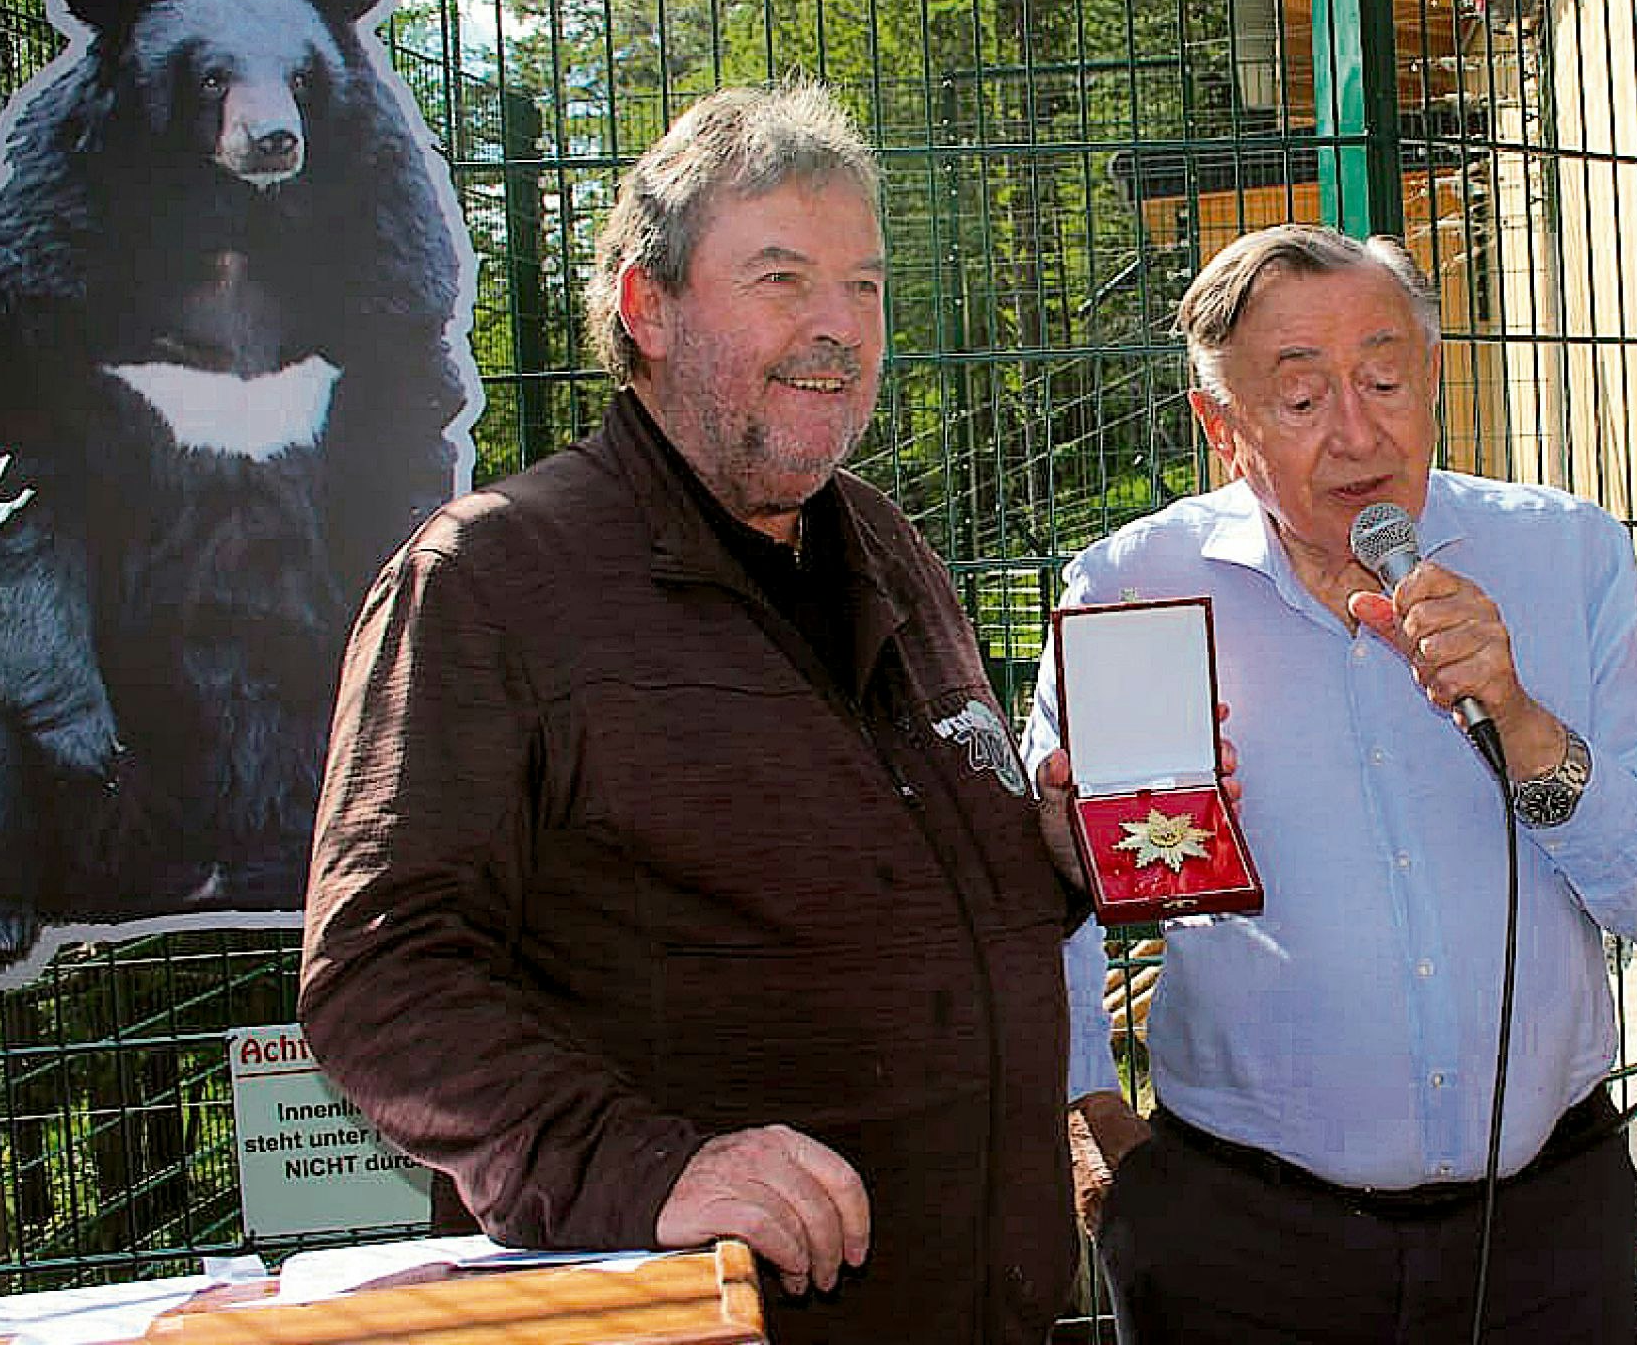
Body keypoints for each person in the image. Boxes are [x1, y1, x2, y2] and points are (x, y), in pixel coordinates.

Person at [298, 84, 1086, 1345]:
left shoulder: (884, 545)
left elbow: (907, 880)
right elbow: (380, 973)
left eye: (866, 285)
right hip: (702, 1316)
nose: (840, 326)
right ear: (646, 307)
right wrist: (644, 1166)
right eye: (781, 279)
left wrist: (1051, 855)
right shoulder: (492, 581)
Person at [1023, 224, 1637, 1344]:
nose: (1359, 433)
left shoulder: (1567, 555)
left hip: (1546, 1232)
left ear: (1434, 374)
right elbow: (1042, 886)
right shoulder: (1134, 585)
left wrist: (1522, 723)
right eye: (1301, 398)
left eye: (1386, 380)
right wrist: (1093, 1116)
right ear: (1221, 426)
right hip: (1241, 1247)